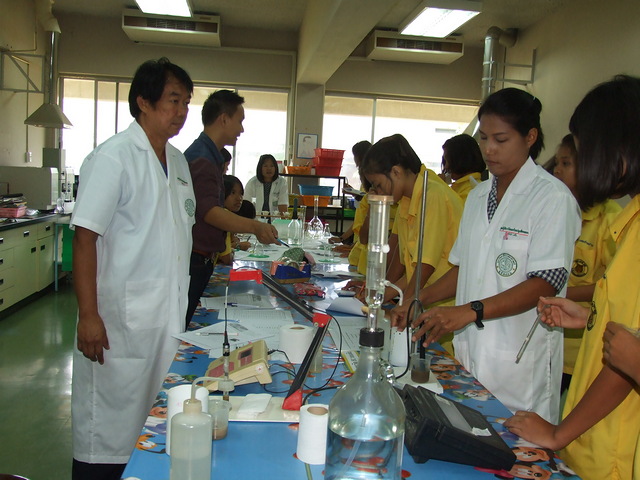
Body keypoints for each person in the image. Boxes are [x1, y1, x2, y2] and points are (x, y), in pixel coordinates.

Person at [392, 88, 581, 423]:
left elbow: (546, 283)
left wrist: (469, 311)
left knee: (512, 448)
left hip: (518, 367)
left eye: (501, 139)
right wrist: (418, 298)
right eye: (483, 138)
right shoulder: (478, 197)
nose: (489, 149)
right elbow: (464, 269)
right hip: (471, 357)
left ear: (530, 137)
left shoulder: (552, 198)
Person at [503, 75, 640, 480]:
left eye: (584, 151)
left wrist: (557, 433)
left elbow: (628, 359)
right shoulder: (632, 224)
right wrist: (591, 319)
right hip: (596, 439)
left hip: (611, 451)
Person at [70, 57, 196, 480]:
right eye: (173, 100)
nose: (181, 111)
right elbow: (84, 238)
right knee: (109, 434)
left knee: (158, 429)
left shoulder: (178, 162)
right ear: (143, 101)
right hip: (119, 325)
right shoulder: (113, 157)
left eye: (186, 102)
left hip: (167, 321)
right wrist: (88, 315)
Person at [362, 134, 464, 356]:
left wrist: (405, 306)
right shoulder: (406, 201)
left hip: (446, 306)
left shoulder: (432, 195)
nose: (378, 192)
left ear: (396, 172)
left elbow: (425, 266)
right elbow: (410, 270)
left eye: (378, 184)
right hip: (425, 302)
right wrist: (379, 294)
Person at [184, 90, 278, 326]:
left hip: (203, 258)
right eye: (240, 121)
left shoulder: (211, 156)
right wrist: (255, 226)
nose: (242, 129)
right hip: (194, 259)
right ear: (224, 119)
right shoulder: (202, 159)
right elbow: (210, 212)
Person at [552, 133, 621, 392]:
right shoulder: (555, 210)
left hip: (581, 349)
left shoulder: (611, 220)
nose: (557, 170)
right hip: (547, 342)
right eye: (556, 163)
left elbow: (612, 287)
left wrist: (557, 293)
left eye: (566, 163)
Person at [440, 133, 487, 203]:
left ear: (461, 160)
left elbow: (453, 208)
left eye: (448, 161)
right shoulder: (461, 187)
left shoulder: (471, 190)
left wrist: (440, 186)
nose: (446, 166)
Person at [218, 175, 249, 265]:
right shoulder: (223, 216)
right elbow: (226, 259)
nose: (239, 198)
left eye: (241, 194)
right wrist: (236, 247)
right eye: (233, 192)